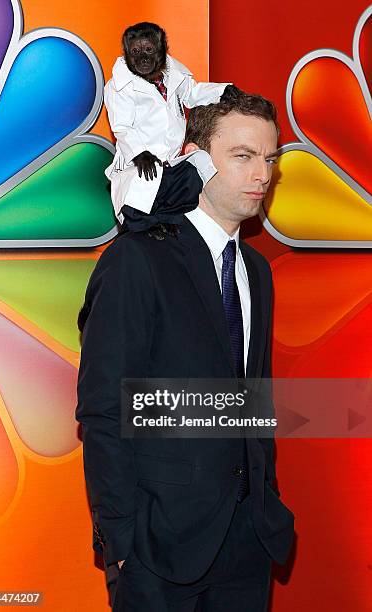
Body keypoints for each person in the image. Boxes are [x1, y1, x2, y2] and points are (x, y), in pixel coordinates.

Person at [76, 85, 294, 611]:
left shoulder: (257, 271)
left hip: (248, 540)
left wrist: (266, 499)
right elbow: (105, 409)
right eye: (242, 157)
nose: (261, 175)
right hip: (159, 547)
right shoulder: (137, 260)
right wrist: (121, 543)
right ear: (195, 159)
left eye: (269, 159)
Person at [104, 21, 230, 223]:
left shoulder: (172, 75)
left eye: (148, 50)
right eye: (135, 51)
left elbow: (192, 93)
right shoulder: (119, 87)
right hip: (139, 161)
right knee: (141, 197)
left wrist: (221, 91)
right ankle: (147, 227)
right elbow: (122, 127)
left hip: (170, 160)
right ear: (126, 52)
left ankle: (166, 223)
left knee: (192, 178)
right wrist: (140, 154)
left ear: (161, 48)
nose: (142, 58)